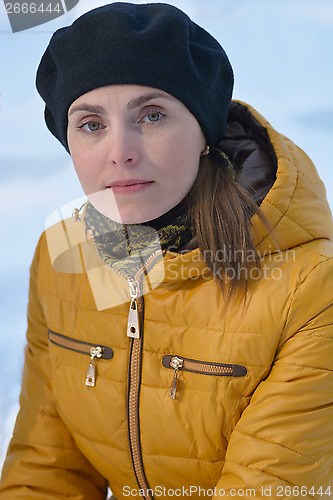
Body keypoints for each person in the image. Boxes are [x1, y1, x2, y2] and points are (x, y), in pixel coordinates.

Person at [0, 2, 332, 499]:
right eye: (91, 124)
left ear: (204, 129)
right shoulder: (64, 254)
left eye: (151, 116)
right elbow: (47, 467)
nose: (120, 151)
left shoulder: (310, 287)